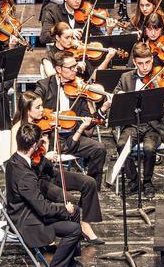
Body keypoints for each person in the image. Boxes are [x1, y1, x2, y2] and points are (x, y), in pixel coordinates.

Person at [10, 91, 104, 244]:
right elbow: (15, 161)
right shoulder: (19, 129)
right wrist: (42, 157)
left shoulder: (46, 125)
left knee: (89, 183)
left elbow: (67, 147)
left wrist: (80, 129)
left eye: (42, 106)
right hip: (36, 179)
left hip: (49, 171)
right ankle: (70, 236)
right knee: (71, 200)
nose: (43, 110)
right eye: (38, 107)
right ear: (27, 110)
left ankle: (85, 224)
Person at [5, 122, 88, 267]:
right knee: (74, 229)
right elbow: (43, 209)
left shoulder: (13, 161)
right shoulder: (25, 177)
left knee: (76, 211)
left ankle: (70, 263)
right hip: (26, 222)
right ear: (34, 145)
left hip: (26, 212)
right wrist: (63, 209)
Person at [35, 50, 111, 188]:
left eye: (75, 66)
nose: (75, 70)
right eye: (71, 68)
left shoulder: (79, 89)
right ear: (58, 69)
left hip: (72, 136)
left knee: (99, 149)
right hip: (50, 136)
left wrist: (102, 110)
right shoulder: (44, 86)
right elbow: (32, 106)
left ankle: (91, 189)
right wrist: (49, 114)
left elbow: (87, 124)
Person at [113, 43, 164, 197]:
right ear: (134, 62)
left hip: (154, 125)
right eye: (140, 63)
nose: (145, 67)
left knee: (149, 148)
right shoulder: (125, 78)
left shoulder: (158, 77)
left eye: (148, 63)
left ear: (152, 59)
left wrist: (163, 103)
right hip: (133, 123)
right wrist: (122, 97)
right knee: (121, 145)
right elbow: (116, 96)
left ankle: (147, 182)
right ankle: (134, 180)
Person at [40, 0, 108, 46]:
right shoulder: (52, 11)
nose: (77, 1)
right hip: (60, 54)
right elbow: (44, 37)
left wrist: (109, 31)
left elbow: (99, 38)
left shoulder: (86, 13)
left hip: (80, 53)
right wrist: (69, 33)